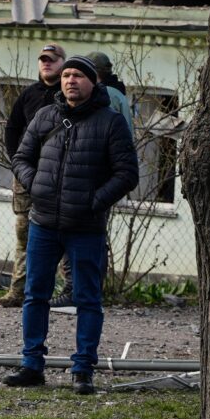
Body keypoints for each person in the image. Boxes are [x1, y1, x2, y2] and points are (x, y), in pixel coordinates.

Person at [3, 55, 138, 394]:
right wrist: (36, 185)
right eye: (66, 76)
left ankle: (83, 370)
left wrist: (93, 203)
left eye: (78, 75)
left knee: (88, 299)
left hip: (86, 227)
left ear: (93, 82)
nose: (70, 81)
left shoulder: (110, 123)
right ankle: (32, 365)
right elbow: (21, 156)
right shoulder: (46, 116)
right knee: (35, 296)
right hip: (44, 223)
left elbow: (127, 174)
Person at [51, 51, 133, 307]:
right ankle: (89, 290)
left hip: (90, 180)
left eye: (80, 73)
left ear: (94, 73)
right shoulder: (119, 95)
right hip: (99, 182)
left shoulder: (106, 99)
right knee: (95, 238)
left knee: (77, 235)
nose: (72, 80)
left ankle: (76, 290)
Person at [0, 43, 66, 307]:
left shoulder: (69, 95)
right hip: (26, 175)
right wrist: (17, 163)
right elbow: (12, 130)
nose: (47, 64)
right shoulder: (29, 94)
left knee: (64, 230)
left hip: (59, 177)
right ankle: (18, 292)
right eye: (43, 60)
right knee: (24, 232)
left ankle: (69, 291)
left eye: (52, 60)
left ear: (62, 64)